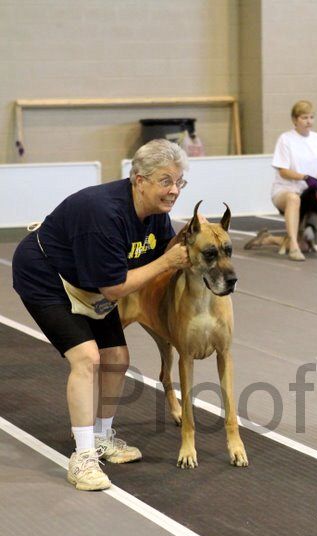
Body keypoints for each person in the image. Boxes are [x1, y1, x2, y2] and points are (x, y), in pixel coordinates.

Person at [12, 139, 191, 491]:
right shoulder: (104, 214)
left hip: (88, 281)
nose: (174, 191)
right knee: (88, 358)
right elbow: (115, 289)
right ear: (139, 180)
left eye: (179, 182)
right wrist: (167, 261)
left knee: (117, 357)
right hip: (45, 275)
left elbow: (161, 269)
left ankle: (103, 436)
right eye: (166, 181)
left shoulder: (157, 217)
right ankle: (82, 457)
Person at [244, 100, 317, 260]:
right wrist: (305, 177)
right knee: (294, 199)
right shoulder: (286, 139)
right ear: (295, 120)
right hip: (285, 191)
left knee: (305, 245)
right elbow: (283, 171)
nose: (309, 121)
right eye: (304, 117)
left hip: (308, 194)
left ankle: (269, 238)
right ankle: (293, 246)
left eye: (311, 117)